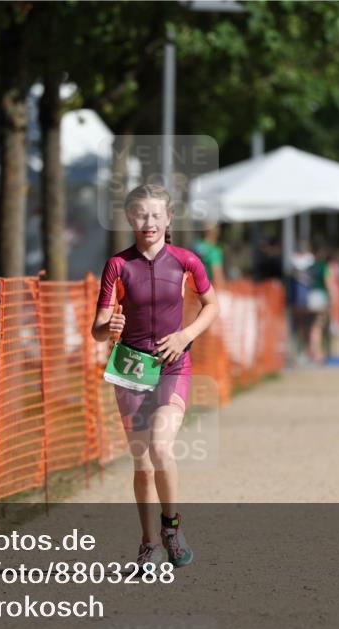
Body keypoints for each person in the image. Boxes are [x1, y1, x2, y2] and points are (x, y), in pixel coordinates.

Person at [91, 184, 219, 569]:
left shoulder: (186, 261)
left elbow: (211, 305)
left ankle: (172, 527)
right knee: (142, 462)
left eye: (155, 215)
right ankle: (148, 544)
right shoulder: (117, 264)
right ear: (130, 219)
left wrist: (184, 336)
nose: (148, 222)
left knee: (161, 446)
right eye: (140, 215)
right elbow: (97, 328)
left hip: (171, 364)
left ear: (168, 219)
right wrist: (108, 324)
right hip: (130, 367)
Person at [193, 224, 226, 289]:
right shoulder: (214, 251)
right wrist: (222, 289)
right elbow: (217, 275)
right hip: (208, 290)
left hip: (192, 289)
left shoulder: (195, 246)